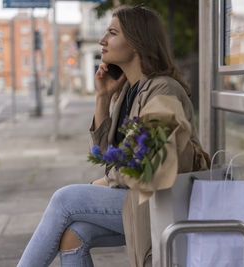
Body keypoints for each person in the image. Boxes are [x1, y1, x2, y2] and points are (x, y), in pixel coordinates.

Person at [17, 5, 208, 267]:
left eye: (112, 33)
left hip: (162, 202)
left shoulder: (163, 90)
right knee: (74, 235)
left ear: (137, 41)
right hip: (137, 200)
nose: (102, 40)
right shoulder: (128, 89)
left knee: (65, 199)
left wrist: (108, 180)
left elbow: (147, 166)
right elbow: (105, 154)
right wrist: (103, 97)